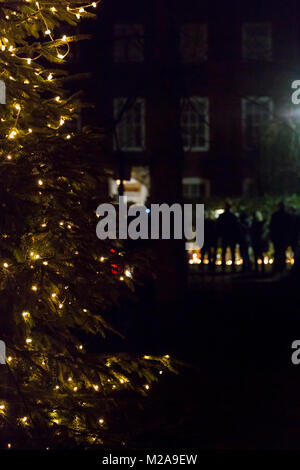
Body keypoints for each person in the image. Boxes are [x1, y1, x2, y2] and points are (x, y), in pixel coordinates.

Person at [270, 202, 292, 272]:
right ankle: (281, 267)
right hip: (282, 237)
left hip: (278, 238)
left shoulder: (275, 215)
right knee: (281, 252)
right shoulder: (286, 216)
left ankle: (278, 267)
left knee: (278, 252)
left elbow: (271, 227)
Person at [217, 202, 239, 271]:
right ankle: (233, 267)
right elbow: (236, 227)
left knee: (224, 252)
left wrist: (219, 235)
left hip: (225, 236)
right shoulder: (233, 216)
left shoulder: (222, 216)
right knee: (232, 252)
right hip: (231, 236)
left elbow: (218, 226)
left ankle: (224, 268)